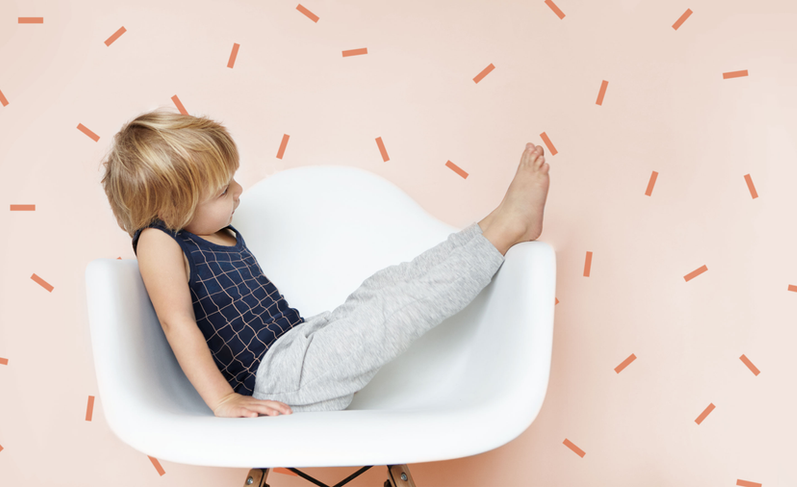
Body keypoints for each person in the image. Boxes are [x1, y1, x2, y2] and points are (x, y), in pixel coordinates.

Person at [100, 109, 550, 416]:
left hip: (298, 346)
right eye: (223, 190)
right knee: (394, 310)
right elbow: (178, 324)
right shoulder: (160, 240)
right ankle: (506, 229)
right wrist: (222, 401)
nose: (239, 191)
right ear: (172, 208)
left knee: (387, 289)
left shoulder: (213, 230)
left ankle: (494, 225)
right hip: (275, 382)